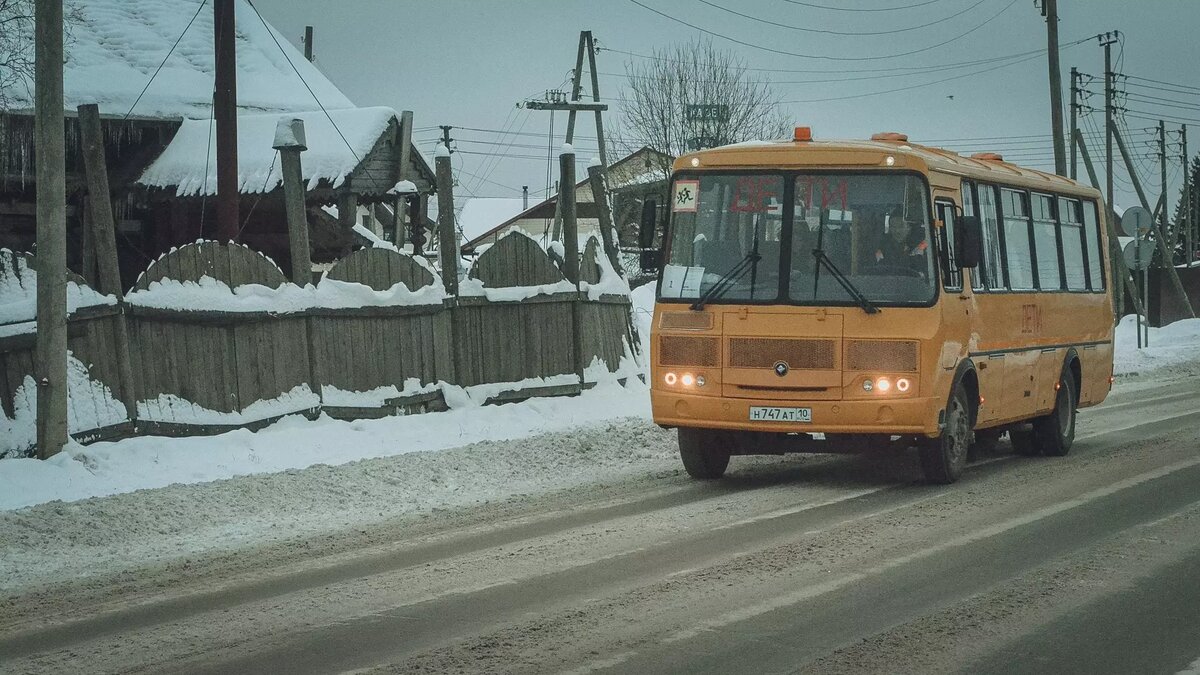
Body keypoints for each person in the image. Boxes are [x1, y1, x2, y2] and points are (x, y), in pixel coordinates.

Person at [874, 207, 928, 273]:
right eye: (893, 226)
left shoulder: (924, 246)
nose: (897, 231)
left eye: (901, 226)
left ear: (909, 227)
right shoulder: (883, 248)